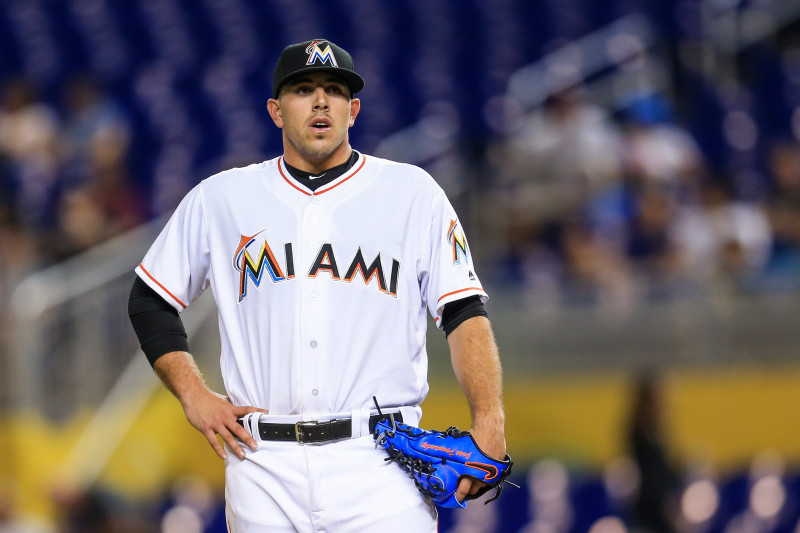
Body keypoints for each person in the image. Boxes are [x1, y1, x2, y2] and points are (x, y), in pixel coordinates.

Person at [128, 39, 507, 532]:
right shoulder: (221, 199)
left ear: (354, 109)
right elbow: (149, 298)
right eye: (303, 89)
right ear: (276, 111)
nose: (321, 101)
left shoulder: (412, 194)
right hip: (262, 464)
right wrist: (195, 396)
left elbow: (463, 312)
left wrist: (491, 418)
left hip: (380, 463)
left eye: (334, 90)